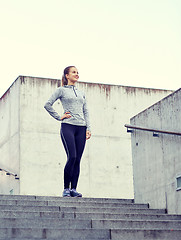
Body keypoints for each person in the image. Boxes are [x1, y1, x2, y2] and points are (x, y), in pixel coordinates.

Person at [44, 66, 91, 197]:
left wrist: (88, 128)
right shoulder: (61, 90)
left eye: (77, 72)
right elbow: (47, 104)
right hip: (68, 126)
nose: (77, 74)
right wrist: (59, 117)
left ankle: (74, 189)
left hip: (81, 128)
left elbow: (86, 111)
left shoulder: (81, 93)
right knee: (72, 156)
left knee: (78, 160)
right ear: (67, 75)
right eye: (74, 72)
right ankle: (66, 188)